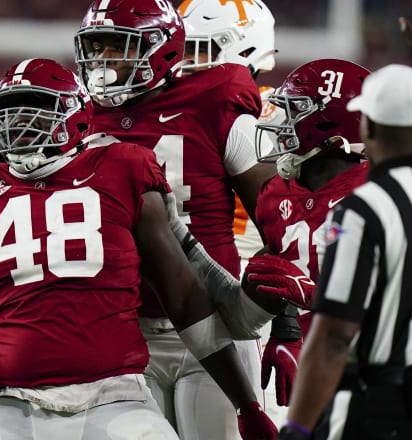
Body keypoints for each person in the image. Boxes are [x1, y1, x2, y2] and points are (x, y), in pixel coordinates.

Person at [0, 58, 278, 440]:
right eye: (8, 114)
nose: (18, 125)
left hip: (116, 397)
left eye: (33, 112)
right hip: (7, 404)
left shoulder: (124, 171)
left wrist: (246, 403)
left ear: (78, 120)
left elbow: (185, 300)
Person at [74, 0, 277, 438]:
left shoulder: (216, 103)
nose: (103, 61)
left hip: (215, 317)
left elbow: (279, 222)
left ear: (160, 49)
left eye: (116, 47)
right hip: (124, 329)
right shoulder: (81, 121)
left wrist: (288, 326)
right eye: (97, 47)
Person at [276, 63, 412, 439]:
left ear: (368, 126)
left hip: (377, 401)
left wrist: (297, 428)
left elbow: (335, 335)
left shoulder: (364, 207)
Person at [177, 0, 287, 428]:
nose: (185, 63)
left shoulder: (268, 114)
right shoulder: (169, 112)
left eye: (198, 49)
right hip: (177, 298)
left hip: (245, 301)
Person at [243, 58, 370, 419]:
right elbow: (280, 267)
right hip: (309, 364)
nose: (282, 123)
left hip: (373, 368)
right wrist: (284, 328)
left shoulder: (378, 191)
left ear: (333, 121)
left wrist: (315, 296)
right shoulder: (276, 193)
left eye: (296, 110)